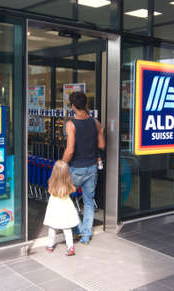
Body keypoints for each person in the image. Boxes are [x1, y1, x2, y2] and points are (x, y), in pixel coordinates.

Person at [62, 92, 105, 245]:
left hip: (76, 168)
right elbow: (101, 145)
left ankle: (78, 229)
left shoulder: (71, 124)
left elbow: (70, 150)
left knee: (64, 198)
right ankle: (86, 236)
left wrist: (61, 164)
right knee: (88, 202)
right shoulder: (95, 122)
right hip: (92, 167)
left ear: (72, 106)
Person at [43, 160, 80, 256]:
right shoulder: (68, 184)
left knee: (52, 227)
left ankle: (50, 246)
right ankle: (70, 247)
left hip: (54, 207)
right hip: (66, 207)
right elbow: (74, 189)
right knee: (67, 228)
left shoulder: (51, 182)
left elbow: (49, 190)